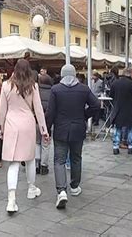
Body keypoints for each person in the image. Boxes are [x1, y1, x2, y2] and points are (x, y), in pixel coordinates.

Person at [0, 59, 49, 214]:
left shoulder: (6, 85)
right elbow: (38, 109)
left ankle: (11, 199)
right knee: (30, 159)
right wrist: (44, 130)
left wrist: (0, 128)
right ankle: (31, 188)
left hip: (11, 124)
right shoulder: (33, 86)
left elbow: (2, 109)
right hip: (27, 124)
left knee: (13, 163)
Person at [46, 64, 99, 209]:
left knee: (59, 160)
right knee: (76, 158)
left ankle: (61, 191)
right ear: (75, 74)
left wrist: (46, 129)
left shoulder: (55, 89)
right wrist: (84, 116)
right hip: (78, 129)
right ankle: (75, 187)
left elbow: (50, 112)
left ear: (62, 75)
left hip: (61, 130)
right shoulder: (83, 89)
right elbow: (96, 105)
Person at [110, 68, 132, 155]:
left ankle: (115, 147)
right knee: (131, 128)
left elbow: (111, 95)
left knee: (118, 128)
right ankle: (131, 147)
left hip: (118, 109)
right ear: (130, 74)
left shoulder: (115, 83)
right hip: (130, 109)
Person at [35, 74, 52, 175]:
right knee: (46, 144)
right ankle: (44, 166)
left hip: (36, 121)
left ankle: (36, 165)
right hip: (47, 122)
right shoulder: (52, 92)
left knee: (36, 143)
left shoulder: (36, 91)